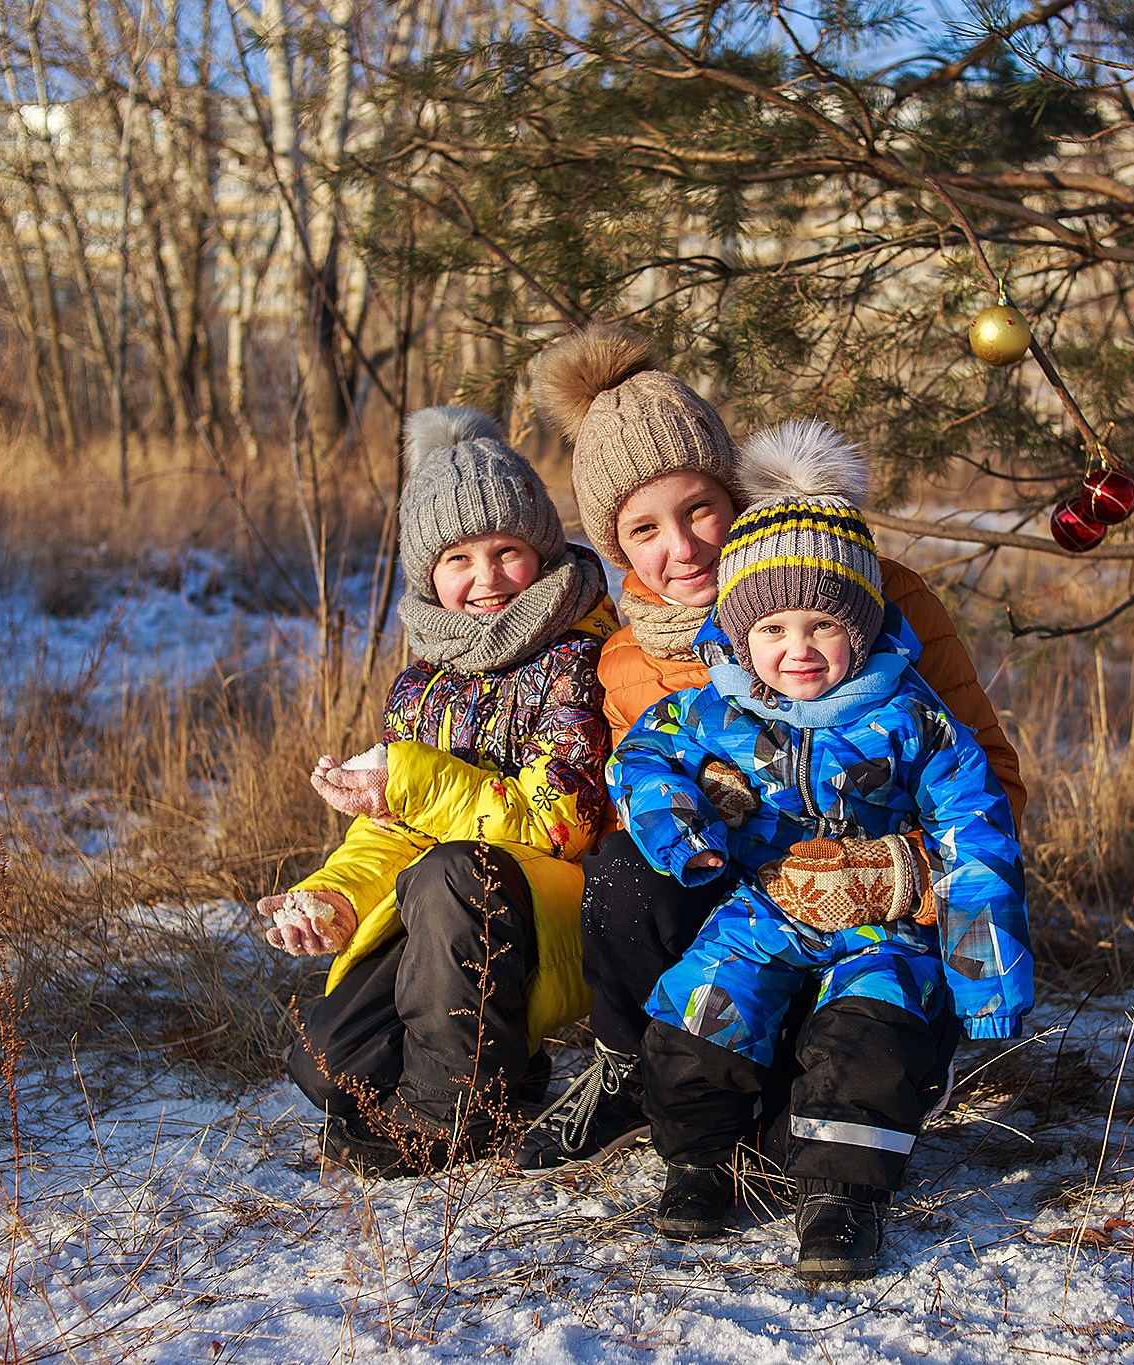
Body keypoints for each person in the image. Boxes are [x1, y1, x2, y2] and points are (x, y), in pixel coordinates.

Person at [514, 322, 1028, 1172]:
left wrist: (898, 871)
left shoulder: (870, 596)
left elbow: (989, 783)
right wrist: (694, 807)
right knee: (622, 868)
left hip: (875, 920)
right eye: (642, 530)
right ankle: (640, 1064)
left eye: (700, 510)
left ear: (736, 495)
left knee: (810, 1143)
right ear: (614, 545)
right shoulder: (626, 650)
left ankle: (866, 1060)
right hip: (743, 918)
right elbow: (619, 815)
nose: (679, 549)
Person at [610, 420, 1031, 1282]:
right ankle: (699, 1163)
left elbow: (977, 840)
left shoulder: (915, 717)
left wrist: (983, 974)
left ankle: (842, 1200)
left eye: (820, 627)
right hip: (762, 909)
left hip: (883, 927)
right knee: (697, 1016)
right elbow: (642, 760)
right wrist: (685, 825)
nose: (796, 651)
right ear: (737, 633)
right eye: (771, 631)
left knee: (864, 1042)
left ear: (864, 626)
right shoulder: (717, 708)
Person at [259, 406, 613, 1179]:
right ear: (429, 573)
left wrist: (412, 777)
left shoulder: (577, 659)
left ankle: (450, 1114)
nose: (485, 578)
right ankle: (507, 1076)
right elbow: (392, 834)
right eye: (458, 558)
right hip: (452, 912)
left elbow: (559, 824)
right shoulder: (423, 686)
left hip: (558, 905)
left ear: (543, 548)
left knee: (456, 871)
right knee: (330, 1062)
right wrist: (337, 896)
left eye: (507, 550)